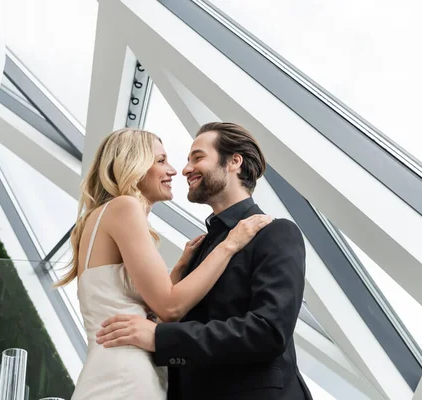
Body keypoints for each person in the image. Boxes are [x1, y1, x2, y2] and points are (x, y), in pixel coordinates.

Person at [97, 122, 313, 399]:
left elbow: (268, 331)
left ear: (234, 161)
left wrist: (159, 338)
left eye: (197, 158)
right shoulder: (198, 250)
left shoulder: (276, 233)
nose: (185, 169)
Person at [56, 128, 272, 399]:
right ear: (132, 163)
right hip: (128, 374)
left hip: (107, 368)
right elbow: (170, 307)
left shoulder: (98, 218)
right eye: (160, 160)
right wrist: (229, 244)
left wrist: (180, 268)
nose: (173, 170)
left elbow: (134, 304)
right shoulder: (125, 207)